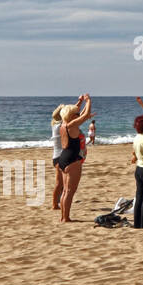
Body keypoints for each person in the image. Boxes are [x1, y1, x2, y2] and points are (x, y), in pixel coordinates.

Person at [54, 94, 93, 222]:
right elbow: (85, 115)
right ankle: (66, 218)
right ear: (71, 116)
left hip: (63, 158)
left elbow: (78, 114)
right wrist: (88, 101)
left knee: (65, 190)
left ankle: (63, 217)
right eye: (75, 114)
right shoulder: (72, 126)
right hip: (72, 160)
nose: (77, 115)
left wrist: (80, 102)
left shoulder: (62, 125)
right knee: (70, 191)